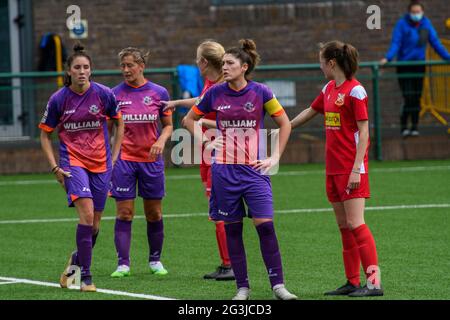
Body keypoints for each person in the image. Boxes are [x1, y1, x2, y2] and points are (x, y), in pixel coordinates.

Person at [183, 39, 297, 300]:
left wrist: (274, 157)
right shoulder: (214, 93)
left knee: (265, 226)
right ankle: (242, 288)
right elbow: (189, 120)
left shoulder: (261, 92)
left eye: (230, 63)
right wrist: (205, 142)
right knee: (233, 230)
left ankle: (278, 286)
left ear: (244, 67)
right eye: (223, 63)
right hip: (224, 173)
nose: (224, 67)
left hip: (254, 172)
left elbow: (285, 123)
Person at [291, 41, 383, 297]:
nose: (320, 66)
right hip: (332, 169)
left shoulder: (356, 91)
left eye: (321, 61)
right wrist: (286, 127)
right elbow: (312, 110)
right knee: (344, 226)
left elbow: (365, 132)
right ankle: (352, 281)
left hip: (351, 169)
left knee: (356, 223)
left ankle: (374, 284)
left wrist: (356, 169)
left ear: (331, 62)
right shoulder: (329, 88)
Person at [39, 43, 124, 292]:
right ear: (69, 71)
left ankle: (74, 264)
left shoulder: (104, 94)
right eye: (77, 67)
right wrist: (54, 167)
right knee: (86, 216)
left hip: (101, 163)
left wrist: (115, 156)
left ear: (91, 70)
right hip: (72, 163)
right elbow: (44, 134)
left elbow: (119, 123)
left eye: (86, 67)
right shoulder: (59, 99)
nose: (82, 71)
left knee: (95, 225)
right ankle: (85, 277)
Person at [163, 40, 235, 281]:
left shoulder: (227, 86)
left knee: (221, 211)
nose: (196, 63)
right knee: (215, 210)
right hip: (207, 153)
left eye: (197, 59)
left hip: (221, 152)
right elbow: (201, 100)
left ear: (204, 62)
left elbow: (233, 122)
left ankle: (231, 265)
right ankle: (226, 263)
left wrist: (201, 124)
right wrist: (176, 103)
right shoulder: (210, 84)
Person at [109, 47, 173, 278]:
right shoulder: (113, 94)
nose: (126, 70)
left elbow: (168, 125)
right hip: (124, 161)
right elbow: (108, 131)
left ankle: (155, 260)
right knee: (125, 213)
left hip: (151, 161)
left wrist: (162, 140)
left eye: (130, 65)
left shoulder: (159, 92)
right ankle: (123, 264)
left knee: (154, 213)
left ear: (141, 66)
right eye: (123, 66)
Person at [380, 0, 450, 137]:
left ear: (422, 12)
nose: (416, 14)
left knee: (417, 96)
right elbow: (396, 43)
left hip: (419, 66)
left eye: (418, 12)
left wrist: (448, 58)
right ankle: (404, 126)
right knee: (408, 96)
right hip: (404, 66)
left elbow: (436, 43)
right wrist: (387, 58)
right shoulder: (402, 24)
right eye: (414, 12)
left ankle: (415, 127)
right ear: (409, 12)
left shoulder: (426, 24)